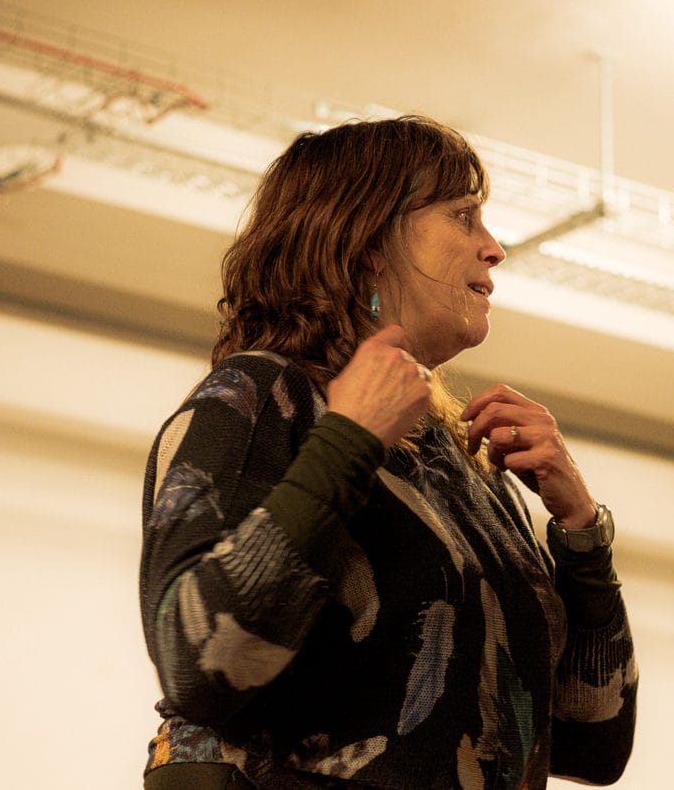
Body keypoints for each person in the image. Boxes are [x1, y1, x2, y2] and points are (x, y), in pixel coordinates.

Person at [139, 115, 637, 789]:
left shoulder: (467, 469)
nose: (494, 249)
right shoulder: (258, 397)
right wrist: (347, 443)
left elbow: (594, 746)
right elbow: (200, 665)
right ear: (370, 241)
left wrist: (582, 535)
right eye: (463, 216)